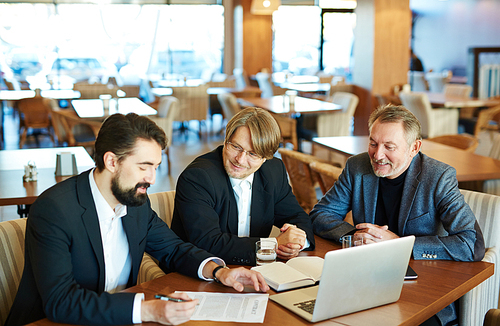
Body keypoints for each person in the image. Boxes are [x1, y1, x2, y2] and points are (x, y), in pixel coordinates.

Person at [6, 113, 269, 326]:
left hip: (118, 318)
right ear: (111, 161)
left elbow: (174, 249)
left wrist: (219, 271)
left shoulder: (136, 203)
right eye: (144, 167)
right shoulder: (54, 209)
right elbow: (61, 301)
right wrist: (147, 310)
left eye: (155, 167)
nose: (152, 179)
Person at [310, 104, 485, 326]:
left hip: (424, 289)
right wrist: (355, 235)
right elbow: (320, 214)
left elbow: (472, 244)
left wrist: (399, 244)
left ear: (414, 148)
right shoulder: (357, 166)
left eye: (389, 146)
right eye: (373, 143)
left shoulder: (439, 177)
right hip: (365, 281)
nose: (377, 154)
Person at [171, 107, 315, 266]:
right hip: (199, 273)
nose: (240, 159)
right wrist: (273, 245)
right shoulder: (198, 177)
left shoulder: (274, 171)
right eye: (236, 147)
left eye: (252, 154)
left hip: (255, 271)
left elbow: (298, 217)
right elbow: (208, 243)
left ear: (265, 158)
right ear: (226, 140)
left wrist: (296, 242)